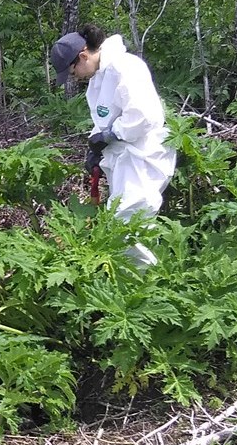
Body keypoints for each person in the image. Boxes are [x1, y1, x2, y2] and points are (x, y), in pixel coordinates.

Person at [50, 24, 176, 267]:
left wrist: (110, 135)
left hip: (144, 159)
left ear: (83, 56)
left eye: (72, 71)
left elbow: (144, 116)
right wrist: (95, 149)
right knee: (126, 225)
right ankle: (138, 281)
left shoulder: (125, 67)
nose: (74, 78)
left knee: (127, 227)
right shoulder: (98, 77)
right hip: (124, 161)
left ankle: (151, 284)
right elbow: (103, 120)